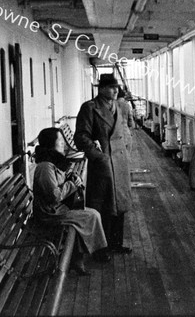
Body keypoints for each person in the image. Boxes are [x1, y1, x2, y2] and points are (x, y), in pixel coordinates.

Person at [32, 127, 108, 274]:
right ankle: (95, 253)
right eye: (60, 141)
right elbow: (55, 196)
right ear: (51, 144)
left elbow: (60, 180)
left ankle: (78, 260)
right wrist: (72, 185)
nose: (63, 144)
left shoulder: (52, 162)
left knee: (90, 214)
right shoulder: (45, 167)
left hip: (57, 209)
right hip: (49, 214)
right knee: (90, 216)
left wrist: (71, 177)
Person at [74, 73, 133, 256]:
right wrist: (98, 156)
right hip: (104, 163)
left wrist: (127, 148)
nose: (116, 91)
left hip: (120, 162)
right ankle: (101, 248)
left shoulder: (118, 106)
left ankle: (116, 243)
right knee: (103, 205)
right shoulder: (90, 108)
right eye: (111, 87)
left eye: (117, 87)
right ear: (101, 89)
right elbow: (81, 136)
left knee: (119, 204)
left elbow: (124, 129)